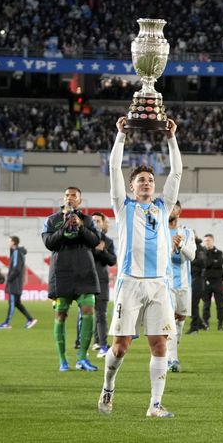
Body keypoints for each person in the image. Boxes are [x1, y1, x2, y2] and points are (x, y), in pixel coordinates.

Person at [99, 117, 181, 418]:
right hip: (130, 283)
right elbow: (112, 170)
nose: (146, 183)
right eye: (141, 180)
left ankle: (155, 404)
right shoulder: (123, 208)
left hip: (159, 284)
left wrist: (172, 139)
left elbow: (177, 172)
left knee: (160, 344)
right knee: (120, 347)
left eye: (149, 180)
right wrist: (120, 137)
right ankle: (108, 386)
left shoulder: (163, 207)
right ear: (132, 188)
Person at [42, 187, 101, 372]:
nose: (70, 198)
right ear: (63, 198)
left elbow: (95, 241)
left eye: (74, 196)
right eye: (67, 195)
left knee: (88, 310)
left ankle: (82, 358)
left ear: (80, 201)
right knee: (61, 314)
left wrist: (80, 226)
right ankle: (62, 360)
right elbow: (49, 243)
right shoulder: (52, 220)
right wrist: (64, 227)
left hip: (84, 271)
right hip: (61, 273)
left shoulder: (88, 220)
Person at [167, 201, 197, 371]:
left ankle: (171, 353)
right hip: (166, 284)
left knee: (180, 321)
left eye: (174, 207)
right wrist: (171, 248)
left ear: (179, 211)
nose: (171, 210)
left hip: (184, 285)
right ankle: (172, 359)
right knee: (170, 320)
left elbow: (191, 256)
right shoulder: (159, 232)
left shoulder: (187, 232)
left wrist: (180, 245)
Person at [90, 211, 116, 358]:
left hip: (101, 281)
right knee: (86, 315)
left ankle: (103, 346)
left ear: (103, 223)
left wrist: (103, 250)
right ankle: (93, 342)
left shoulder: (108, 241)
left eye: (98, 221)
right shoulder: (85, 240)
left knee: (100, 314)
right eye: (92, 220)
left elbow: (112, 260)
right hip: (86, 281)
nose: (95, 223)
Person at [0, 236, 38, 330]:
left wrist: (9, 278)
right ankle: (30, 319)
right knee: (17, 303)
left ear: (14, 242)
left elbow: (16, 268)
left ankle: (7, 323)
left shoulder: (16, 252)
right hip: (18, 282)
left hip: (14, 283)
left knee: (12, 303)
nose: (8, 243)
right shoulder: (18, 252)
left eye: (9, 241)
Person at [201, 234, 223, 331]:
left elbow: (219, 263)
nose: (207, 242)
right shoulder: (201, 253)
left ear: (213, 241)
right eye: (206, 240)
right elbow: (204, 264)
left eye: (209, 240)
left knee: (220, 305)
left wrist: (208, 263)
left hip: (217, 282)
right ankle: (205, 324)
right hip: (205, 282)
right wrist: (212, 262)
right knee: (206, 305)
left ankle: (220, 324)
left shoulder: (219, 253)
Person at [186, 235, 207, 334]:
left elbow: (202, 261)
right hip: (192, 279)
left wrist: (190, 260)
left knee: (193, 304)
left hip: (198, 279)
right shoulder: (195, 248)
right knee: (191, 305)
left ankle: (195, 327)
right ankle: (201, 323)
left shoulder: (199, 248)